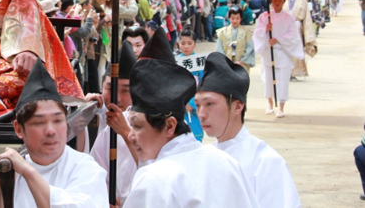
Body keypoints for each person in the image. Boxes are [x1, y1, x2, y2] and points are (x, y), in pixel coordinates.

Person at [122, 37, 259, 208]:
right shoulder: (225, 161)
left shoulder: (154, 178)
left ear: (170, 126)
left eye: (137, 126)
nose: (131, 136)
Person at [0, 59, 108, 208]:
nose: (51, 131)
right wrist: (2, 180)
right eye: (39, 122)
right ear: (19, 129)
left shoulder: (86, 169)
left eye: (57, 120)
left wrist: (28, 172)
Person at [195, 52, 301, 207]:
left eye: (209, 104)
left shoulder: (265, 162)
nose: (201, 114)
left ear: (237, 106)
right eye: (197, 105)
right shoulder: (202, 157)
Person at [88, 38, 139, 206]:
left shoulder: (146, 125)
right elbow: (94, 172)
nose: (117, 97)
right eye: (110, 88)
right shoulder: (95, 110)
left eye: (125, 90)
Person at [253, 0, 303, 118]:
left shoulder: (289, 18)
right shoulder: (264, 17)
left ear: (283, 2)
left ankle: (281, 106)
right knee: (268, 79)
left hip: (282, 52)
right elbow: (257, 33)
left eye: (280, 1)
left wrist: (278, 39)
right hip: (268, 52)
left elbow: (292, 35)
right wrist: (265, 30)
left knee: (283, 80)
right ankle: (270, 103)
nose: (277, 3)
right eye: (275, 1)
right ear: (271, 2)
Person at [175, 29, 203, 142]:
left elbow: (203, 85)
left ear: (195, 44)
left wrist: (193, 102)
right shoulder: (176, 62)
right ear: (178, 44)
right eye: (183, 43)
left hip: (193, 106)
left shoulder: (200, 62)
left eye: (189, 43)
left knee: (195, 135)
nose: (186, 46)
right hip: (178, 106)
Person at [285, 0, 317, 79]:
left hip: (297, 27)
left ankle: (295, 71)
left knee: (295, 50)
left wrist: (308, 35)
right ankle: (286, 71)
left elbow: (307, 18)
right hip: (284, 28)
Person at [215, 6, 255, 73]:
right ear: (229, 18)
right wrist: (225, 61)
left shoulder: (246, 33)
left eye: (237, 18)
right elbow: (219, 49)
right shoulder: (222, 32)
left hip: (242, 64)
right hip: (227, 65)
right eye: (232, 18)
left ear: (241, 18)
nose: (235, 21)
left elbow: (249, 47)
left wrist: (242, 60)